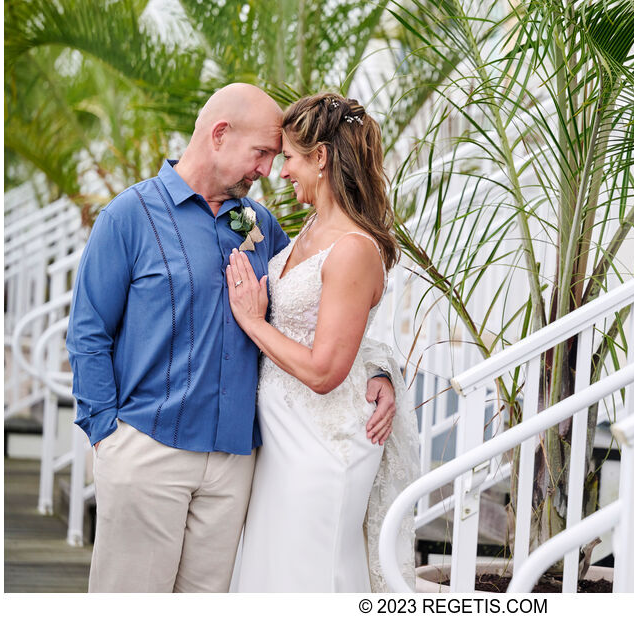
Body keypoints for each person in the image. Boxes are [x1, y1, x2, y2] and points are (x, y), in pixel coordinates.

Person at [66, 83, 400, 593]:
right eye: (263, 152)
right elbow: (88, 333)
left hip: (235, 468)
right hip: (147, 452)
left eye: (278, 156)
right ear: (220, 135)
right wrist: (108, 438)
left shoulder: (260, 226)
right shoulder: (129, 216)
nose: (269, 169)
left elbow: (319, 308)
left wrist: (376, 370)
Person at [227, 93, 418, 592]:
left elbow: (324, 370)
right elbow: (337, 329)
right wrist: (379, 367)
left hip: (319, 446)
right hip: (281, 441)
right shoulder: (312, 227)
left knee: (309, 576)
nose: (281, 172)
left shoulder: (354, 248)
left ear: (322, 157)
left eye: (289, 157)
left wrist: (253, 322)